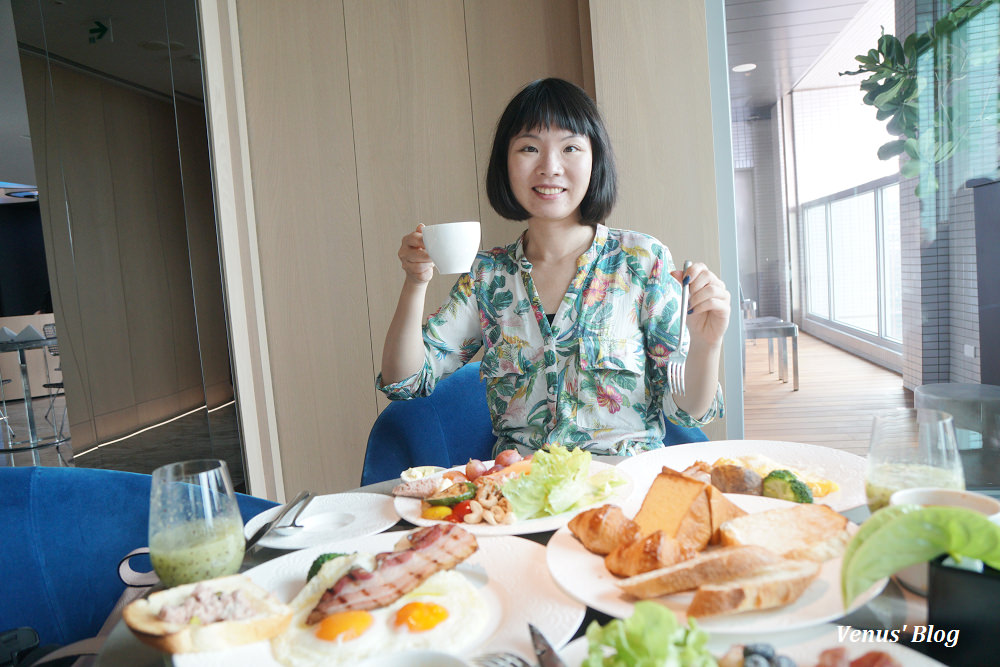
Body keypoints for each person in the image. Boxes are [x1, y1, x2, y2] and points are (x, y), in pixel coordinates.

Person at [377, 78, 730, 456]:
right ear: (505, 162)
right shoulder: (488, 277)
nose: (550, 167)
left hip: (622, 491)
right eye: (529, 148)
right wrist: (415, 281)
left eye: (570, 148)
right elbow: (405, 381)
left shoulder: (642, 261)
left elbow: (689, 411)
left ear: (595, 160)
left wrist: (708, 344)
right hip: (523, 496)